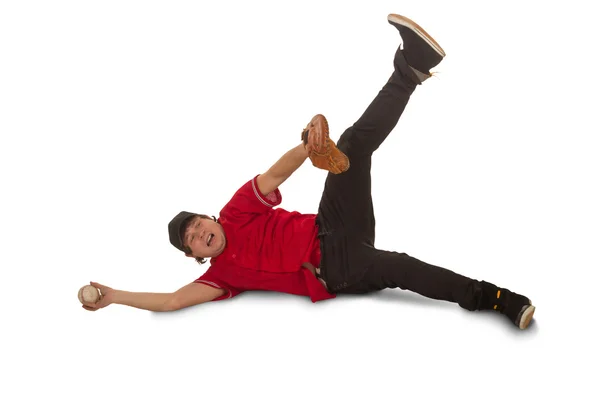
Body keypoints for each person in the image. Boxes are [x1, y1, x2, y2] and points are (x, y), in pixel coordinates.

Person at [82, 13, 536, 330]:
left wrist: (306, 149)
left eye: (201, 224)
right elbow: (172, 301)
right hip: (332, 269)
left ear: (211, 218)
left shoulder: (235, 212)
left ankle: (412, 66)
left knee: (353, 147)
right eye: (196, 239)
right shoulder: (221, 277)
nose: (204, 233)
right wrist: (115, 295)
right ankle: (496, 298)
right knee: (395, 266)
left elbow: (273, 177)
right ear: (195, 254)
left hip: (333, 224)